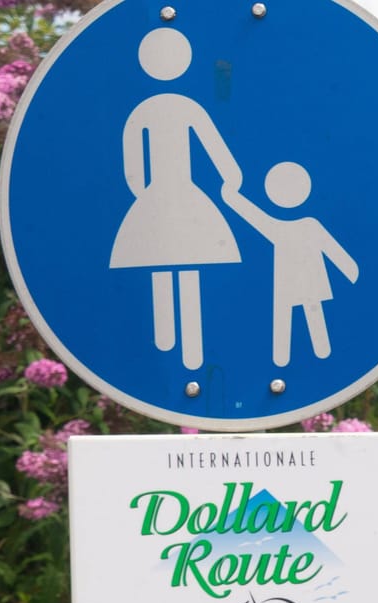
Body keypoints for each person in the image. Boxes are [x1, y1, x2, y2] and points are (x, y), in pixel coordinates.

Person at [109, 27, 245, 371]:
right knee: (183, 262)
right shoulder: (185, 107)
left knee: (160, 258)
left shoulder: (144, 111)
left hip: (160, 194)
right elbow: (216, 149)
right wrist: (232, 178)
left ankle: (171, 343)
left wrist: (144, 195)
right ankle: (183, 350)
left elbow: (133, 167)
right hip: (182, 194)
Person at [222, 163, 359, 368]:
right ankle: (285, 359)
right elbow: (254, 217)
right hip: (291, 280)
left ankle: (303, 356)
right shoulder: (295, 226)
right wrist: (232, 198)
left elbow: (332, 248)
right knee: (294, 315)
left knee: (306, 314)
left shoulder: (300, 226)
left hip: (304, 279)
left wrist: (350, 268)